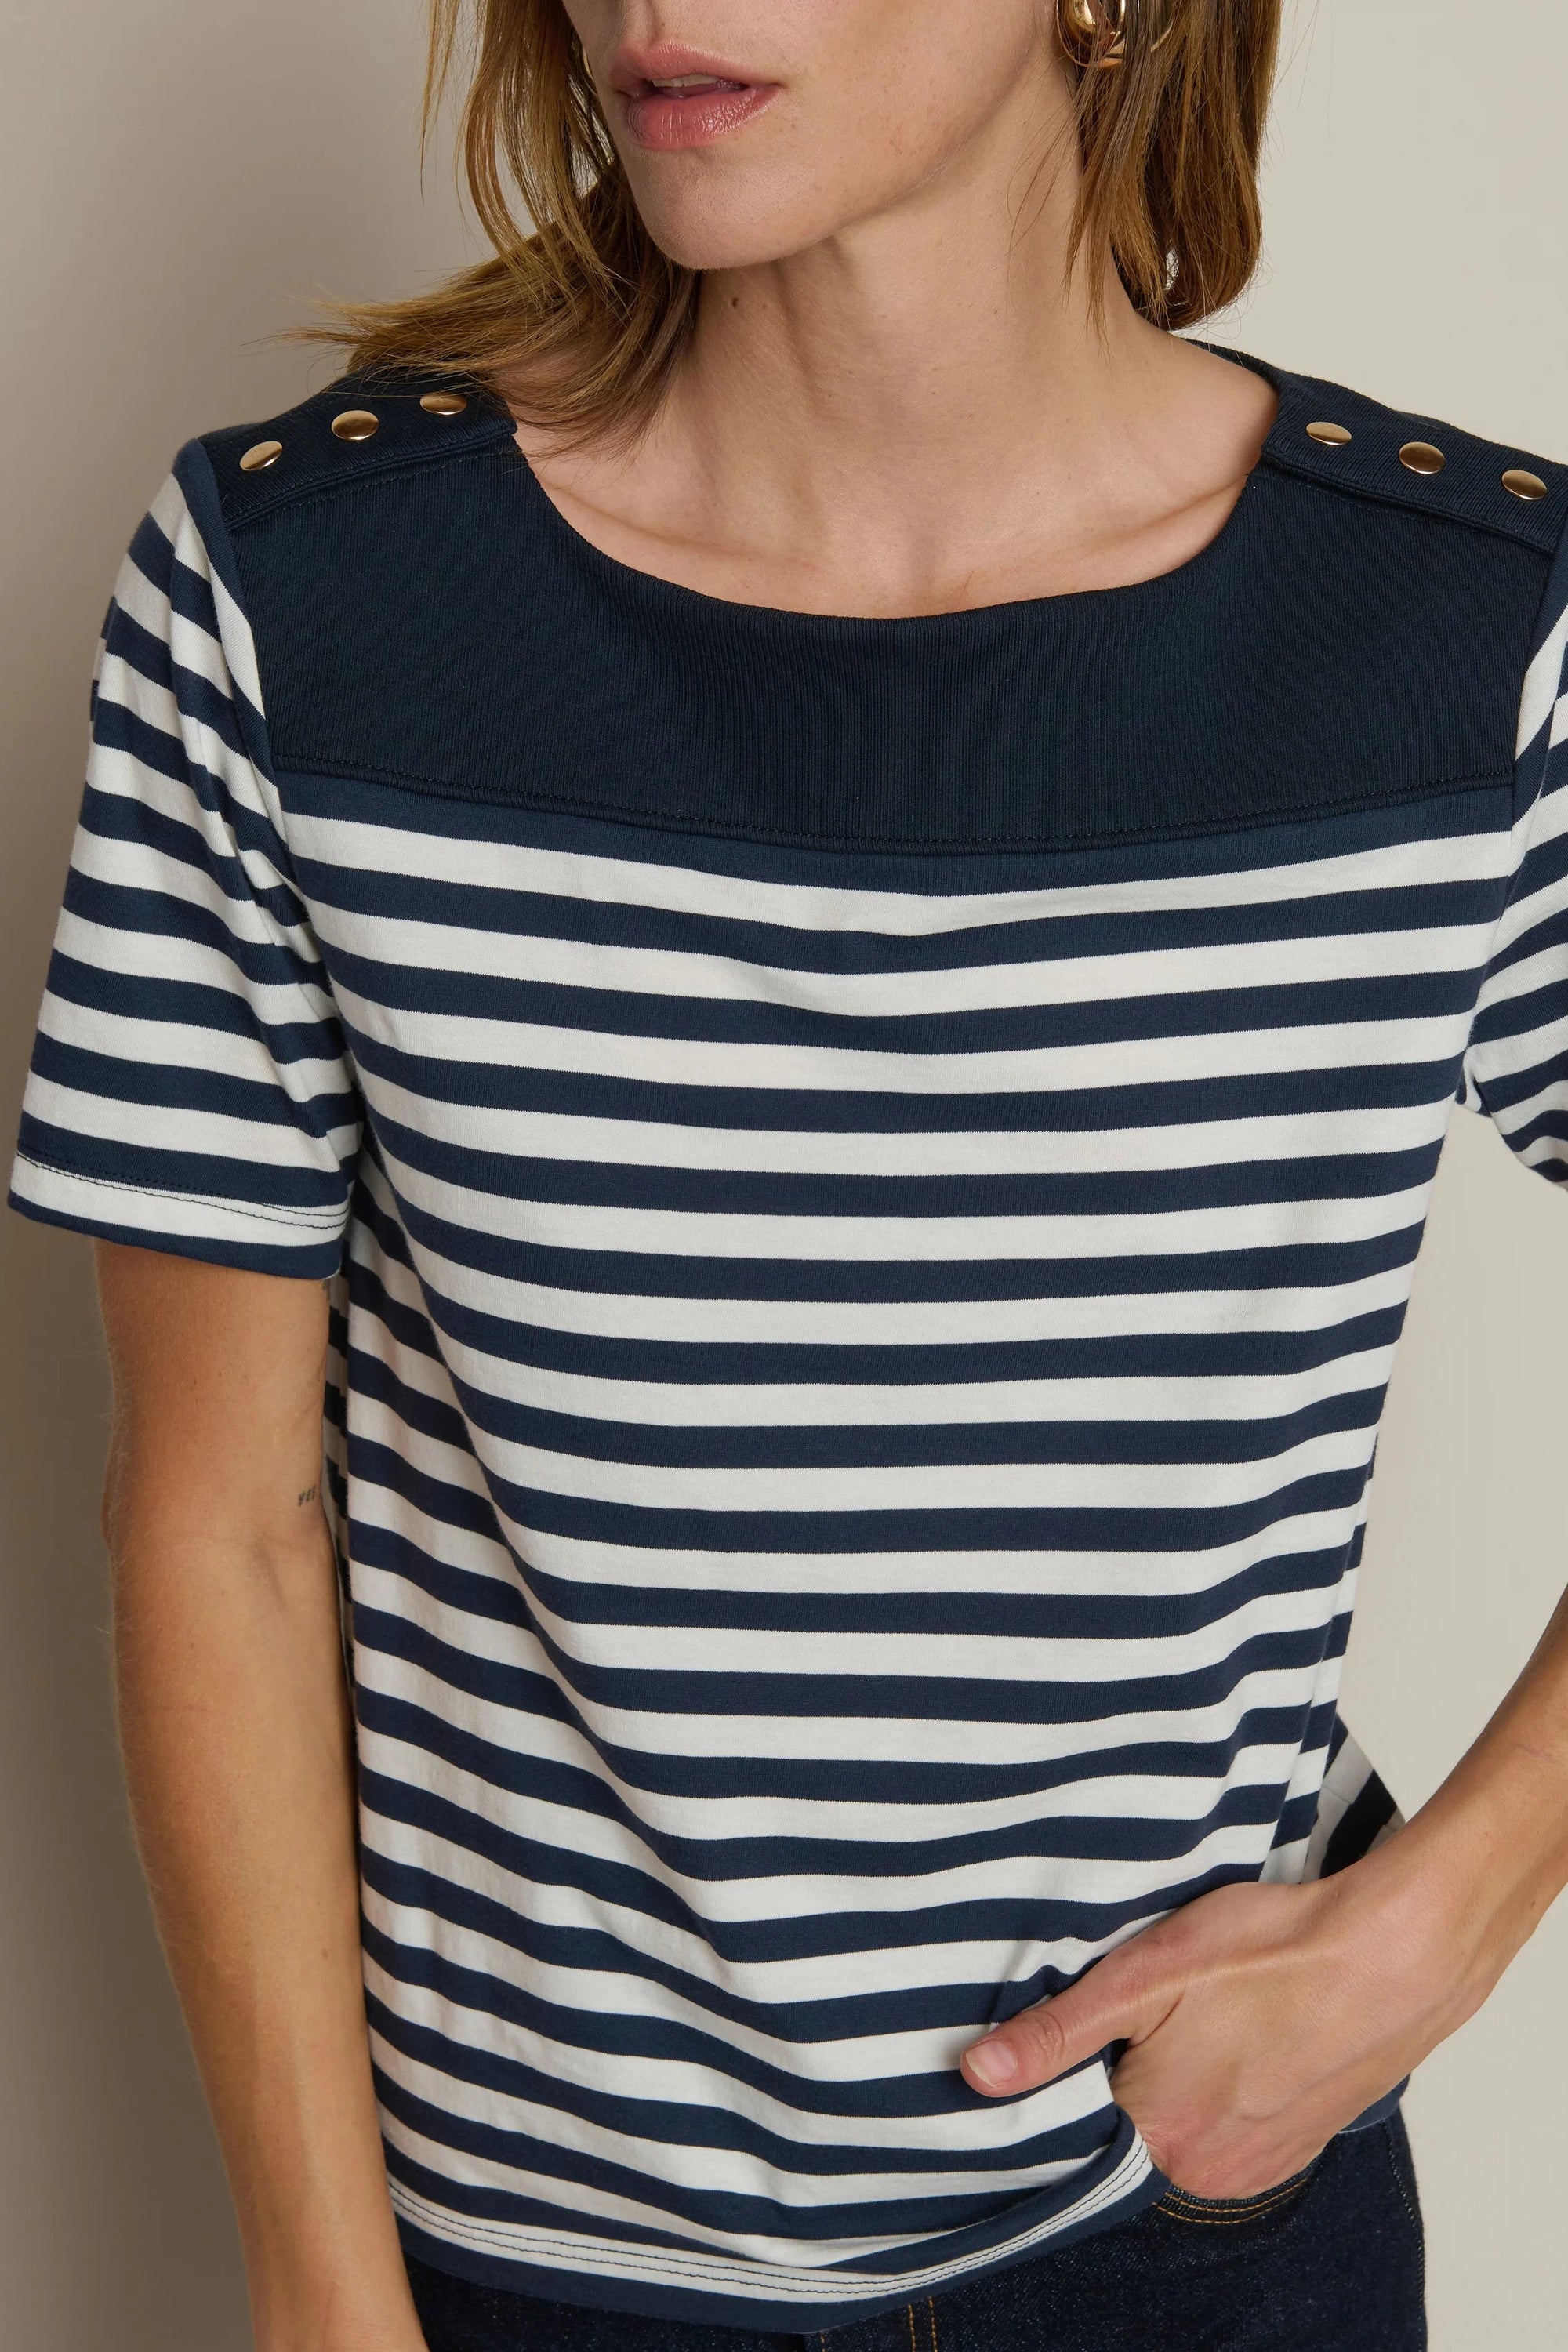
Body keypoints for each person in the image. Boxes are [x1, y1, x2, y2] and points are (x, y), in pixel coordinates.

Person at [11, 1, 1568, 2347]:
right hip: (504, 2277)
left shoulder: (1467, 637)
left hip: (1193, 2239)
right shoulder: (295, 607)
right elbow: (214, 1520)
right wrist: (327, 2300)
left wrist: (1447, 1911)